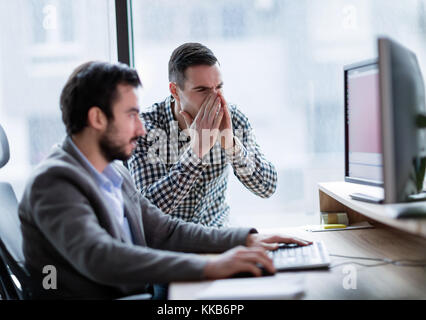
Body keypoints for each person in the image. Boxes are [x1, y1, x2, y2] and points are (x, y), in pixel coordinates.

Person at [19, 61, 310, 299]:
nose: (142, 128)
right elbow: (102, 258)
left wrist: (246, 238)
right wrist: (210, 265)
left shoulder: (112, 171)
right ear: (97, 119)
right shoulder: (55, 181)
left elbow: (164, 231)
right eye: (132, 115)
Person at [128, 42, 277, 228]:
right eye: (202, 90)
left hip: (218, 235)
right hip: (170, 245)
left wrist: (231, 146)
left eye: (219, 87)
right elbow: (147, 212)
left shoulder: (232, 118)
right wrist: (196, 152)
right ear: (175, 91)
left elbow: (267, 187)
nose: (215, 98)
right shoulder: (146, 129)